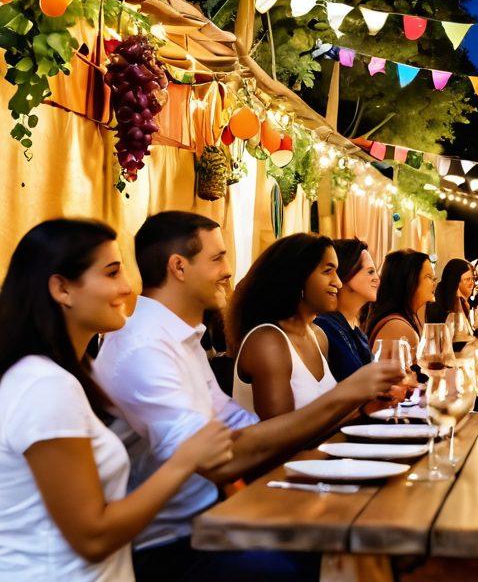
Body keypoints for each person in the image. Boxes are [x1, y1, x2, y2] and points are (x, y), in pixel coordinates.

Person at [93, 211, 401, 581]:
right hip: (167, 546)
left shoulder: (179, 337)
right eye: (218, 258)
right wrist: (348, 395)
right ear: (178, 267)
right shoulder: (144, 348)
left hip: (213, 520)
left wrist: (359, 402)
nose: (229, 270)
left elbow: (247, 430)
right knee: (335, 555)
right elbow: (221, 460)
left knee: (363, 543)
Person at [0, 219, 232, 581]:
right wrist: (184, 461)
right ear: (62, 288)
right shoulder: (43, 385)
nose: (127, 288)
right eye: (111, 274)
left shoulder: (66, 376)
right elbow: (93, 536)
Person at [228, 234, 340, 419]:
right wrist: (352, 397)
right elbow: (280, 438)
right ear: (298, 277)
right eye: (328, 271)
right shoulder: (267, 342)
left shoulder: (317, 336)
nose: (338, 282)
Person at [315, 240, 377, 383]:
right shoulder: (324, 327)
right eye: (370, 271)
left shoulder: (354, 329)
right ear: (348, 272)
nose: (377, 279)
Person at [365, 248, 436, 348]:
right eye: (428, 277)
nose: (434, 283)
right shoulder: (398, 327)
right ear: (408, 280)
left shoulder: (403, 319)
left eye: (434, 278)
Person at [425, 258, 473, 325]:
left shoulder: (464, 303)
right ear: (456, 281)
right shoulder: (438, 307)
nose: (472, 283)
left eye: (472, 279)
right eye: (468, 279)